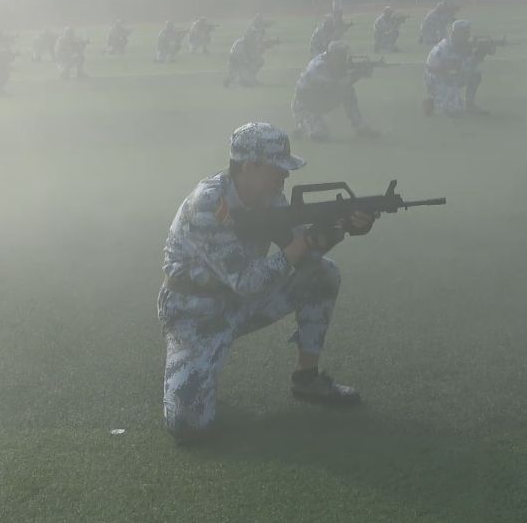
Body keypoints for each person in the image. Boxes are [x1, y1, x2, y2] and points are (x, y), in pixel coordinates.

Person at [160, 122, 375, 442]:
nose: (284, 176)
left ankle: (307, 379)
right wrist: (300, 247)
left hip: (241, 302)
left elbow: (303, 252)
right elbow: (248, 281)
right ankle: (194, 372)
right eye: (278, 169)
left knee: (322, 274)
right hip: (197, 314)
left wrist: (340, 228)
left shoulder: (271, 198)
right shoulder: (208, 204)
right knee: (189, 427)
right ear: (249, 166)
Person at [292, 40, 379, 141]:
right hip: (304, 105)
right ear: (332, 55)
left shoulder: (335, 64)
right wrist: (356, 74)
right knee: (320, 135)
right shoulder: (318, 66)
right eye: (341, 55)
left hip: (320, 100)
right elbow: (335, 85)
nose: (344, 58)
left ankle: (359, 124)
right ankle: (304, 124)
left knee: (348, 91)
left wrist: (362, 71)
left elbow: (343, 85)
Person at [424, 19, 487, 116]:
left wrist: (478, 56)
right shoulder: (443, 47)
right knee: (455, 111)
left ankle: (470, 105)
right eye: (464, 33)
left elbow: (468, 66)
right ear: (455, 33)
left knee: (475, 74)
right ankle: (433, 101)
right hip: (437, 80)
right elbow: (430, 68)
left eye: (467, 32)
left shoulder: (464, 46)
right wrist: (447, 67)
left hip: (451, 77)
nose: (467, 35)